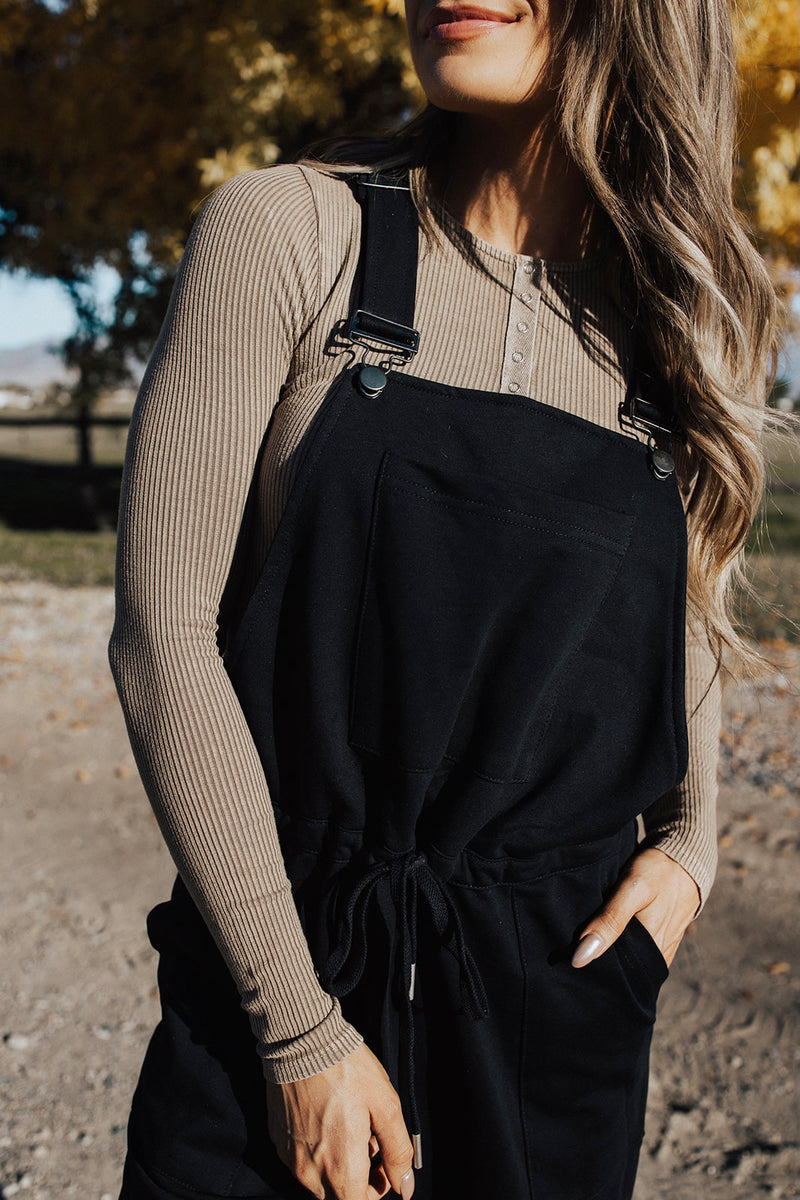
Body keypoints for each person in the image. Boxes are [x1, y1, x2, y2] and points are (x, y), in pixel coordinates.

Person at [109, 2, 778, 1198]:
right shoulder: (286, 233)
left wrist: (691, 844)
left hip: (551, 1017)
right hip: (276, 983)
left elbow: (680, 617)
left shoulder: (683, 317)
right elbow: (164, 640)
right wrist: (297, 1034)